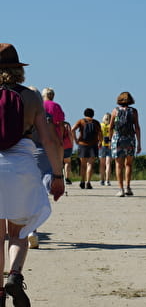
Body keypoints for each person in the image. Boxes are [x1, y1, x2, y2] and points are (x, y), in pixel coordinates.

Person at [0, 44, 64, 306]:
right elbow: (49, 140)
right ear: (18, 69)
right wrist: (58, 175)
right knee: (18, 233)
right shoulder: (32, 97)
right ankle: (14, 275)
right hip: (22, 169)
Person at [27, 86, 64, 250]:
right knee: (45, 178)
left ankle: (31, 230)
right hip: (45, 154)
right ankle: (48, 182)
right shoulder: (46, 117)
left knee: (28, 194)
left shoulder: (22, 116)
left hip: (27, 153)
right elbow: (55, 141)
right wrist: (59, 166)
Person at [109, 92, 141, 197]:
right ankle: (128, 187)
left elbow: (111, 127)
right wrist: (139, 142)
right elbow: (137, 127)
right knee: (129, 164)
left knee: (118, 165)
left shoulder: (115, 111)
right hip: (130, 139)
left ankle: (120, 189)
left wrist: (110, 141)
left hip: (117, 139)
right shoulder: (133, 111)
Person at [72, 108, 102, 190]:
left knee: (83, 165)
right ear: (93, 114)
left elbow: (72, 129)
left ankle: (82, 181)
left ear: (84, 114)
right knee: (90, 164)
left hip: (82, 144)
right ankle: (88, 182)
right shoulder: (96, 122)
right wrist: (100, 142)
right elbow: (100, 133)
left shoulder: (81, 121)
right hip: (93, 145)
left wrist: (76, 140)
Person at [99, 113, 112, 186]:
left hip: (102, 145)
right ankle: (108, 180)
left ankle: (102, 180)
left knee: (102, 164)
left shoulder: (101, 125)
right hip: (110, 145)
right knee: (108, 164)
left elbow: (98, 135)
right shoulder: (112, 126)